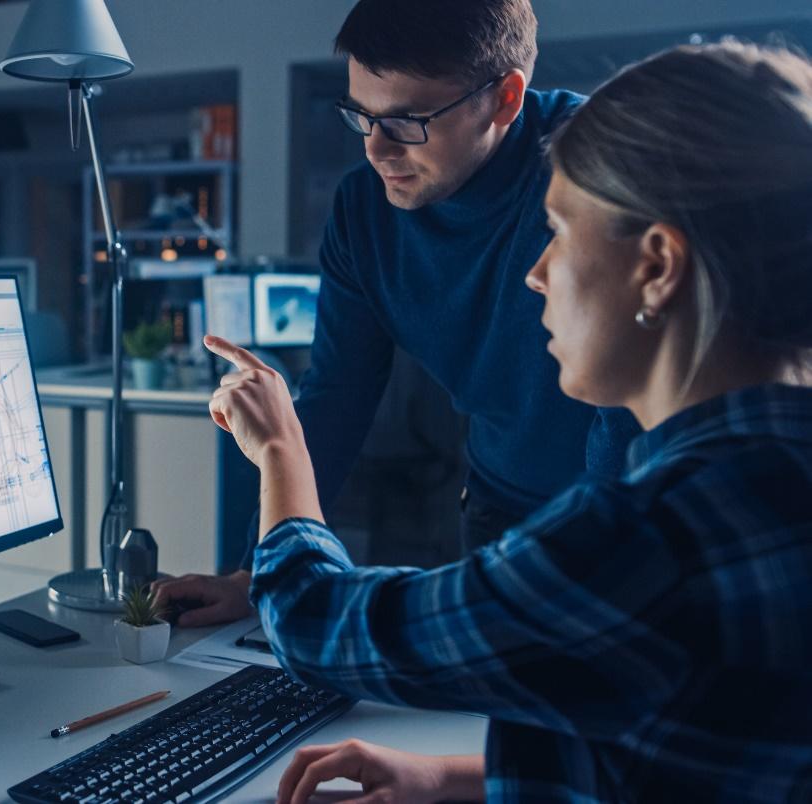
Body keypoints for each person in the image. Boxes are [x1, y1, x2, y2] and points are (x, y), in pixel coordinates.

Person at [206, 42, 812, 803]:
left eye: (559, 230)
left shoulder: (643, 541)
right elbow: (686, 747)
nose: (536, 271)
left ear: (657, 266)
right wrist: (454, 778)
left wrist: (278, 449)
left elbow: (314, 624)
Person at [154, 0, 641, 627]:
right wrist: (255, 570)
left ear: (505, 99)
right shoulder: (364, 213)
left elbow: (629, 406)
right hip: (500, 506)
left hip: (622, 508)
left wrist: (614, 563)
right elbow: (337, 394)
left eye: (409, 121)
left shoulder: (599, 173)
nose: (378, 151)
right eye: (362, 116)